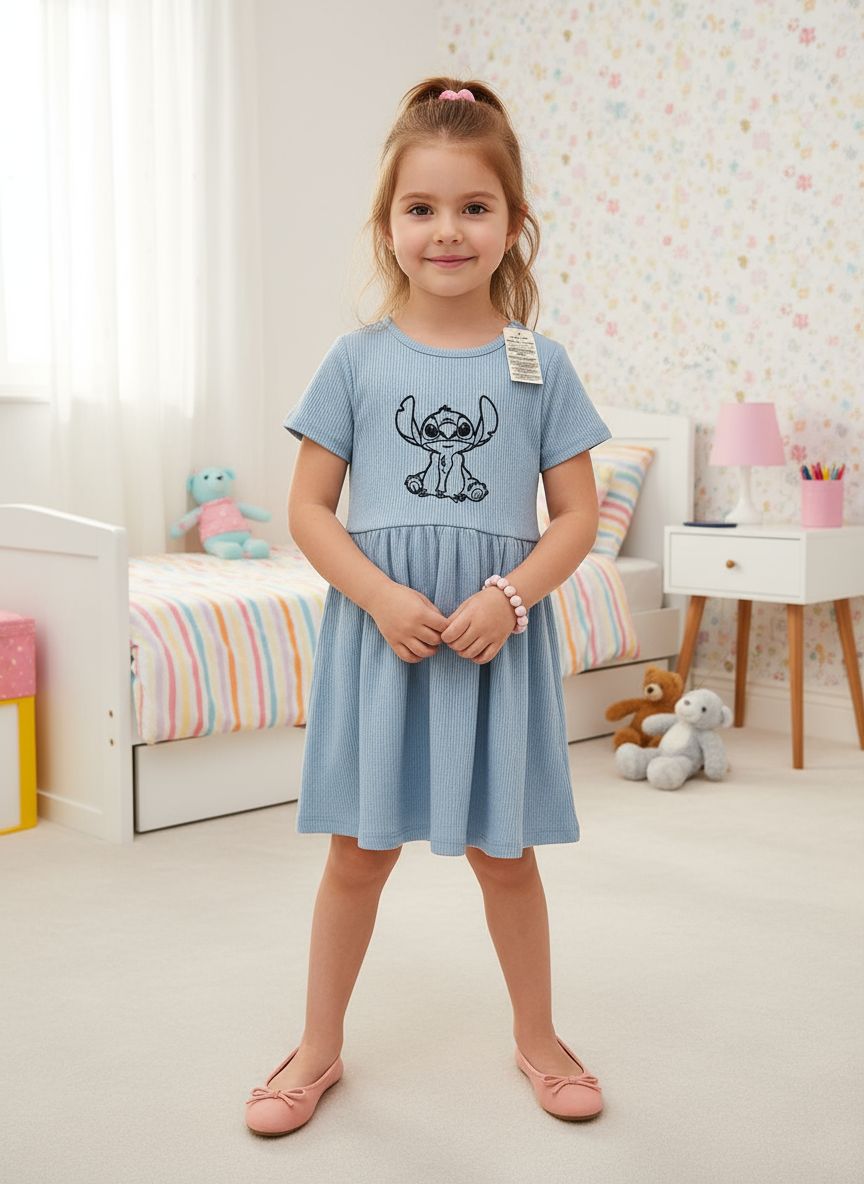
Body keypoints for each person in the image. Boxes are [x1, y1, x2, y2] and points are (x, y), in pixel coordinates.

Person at [244, 77, 611, 1137]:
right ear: (389, 223)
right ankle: (317, 1047)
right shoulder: (354, 360)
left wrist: (510, 594)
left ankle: (539, 1038)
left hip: (496, 643)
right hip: (384, 639)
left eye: (473, 206)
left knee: (507, 857)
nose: (447, 229)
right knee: (357, 854)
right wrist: (379, 593)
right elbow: (309, 509)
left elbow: (576, 516)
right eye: (422, 207)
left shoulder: (540, 366)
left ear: (513, 223)